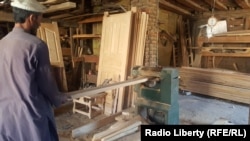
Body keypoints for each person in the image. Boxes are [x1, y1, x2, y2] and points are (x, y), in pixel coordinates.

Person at [0, 0, 70, 141]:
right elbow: (47, 84)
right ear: (31, 18)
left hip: (5, 116)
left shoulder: (2, 43)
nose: (39, 24)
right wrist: (58, 98)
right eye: (39, 19)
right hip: (30, 115)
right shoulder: (36, 45)